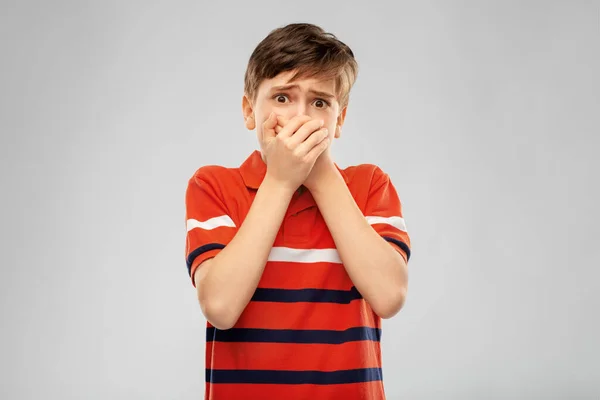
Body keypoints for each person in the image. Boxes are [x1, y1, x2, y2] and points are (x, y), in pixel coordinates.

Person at [184, 22, 412, 400]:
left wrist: (320, 176)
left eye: (319, 102)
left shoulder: (370, 187)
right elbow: (220, 307)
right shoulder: (213, 187)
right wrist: (280, 181)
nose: (300, 118)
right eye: (282, 98)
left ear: (339, 120)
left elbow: (389, 296)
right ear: (248, 111)